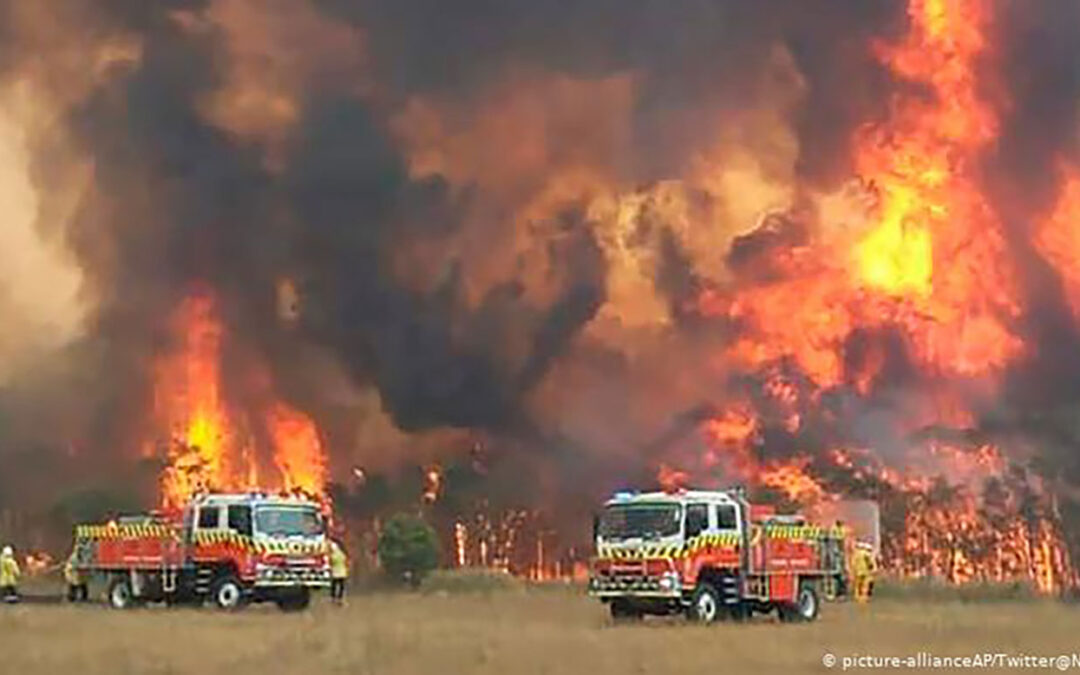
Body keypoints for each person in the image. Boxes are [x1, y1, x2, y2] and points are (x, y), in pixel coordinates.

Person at [329, 538, 348, 605]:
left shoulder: (334, 554)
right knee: (340, 586)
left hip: (337, 571)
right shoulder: (342, 553)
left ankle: (334, 598)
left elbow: (332, 561)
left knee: (335, 585)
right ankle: (339, 598)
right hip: (341, 572)